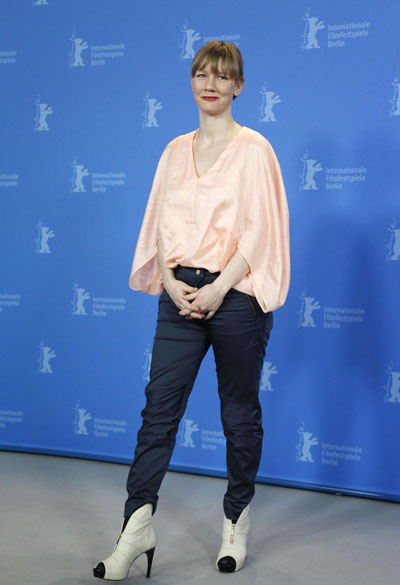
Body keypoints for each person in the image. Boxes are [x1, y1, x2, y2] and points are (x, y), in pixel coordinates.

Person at [93, 40, 290, 581]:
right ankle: (136, 527)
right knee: (158, 411)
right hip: (179, 294)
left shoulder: (255, 149)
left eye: (222, 76)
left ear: (238, 87)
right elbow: (160, 222)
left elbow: (261, 229)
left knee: (238, 416)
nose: (210, 84)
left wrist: (221, 286)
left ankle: (236, 521)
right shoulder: (175, 150)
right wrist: (172, 281)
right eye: (202, 74)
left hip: (237, 298)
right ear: (192, 81)